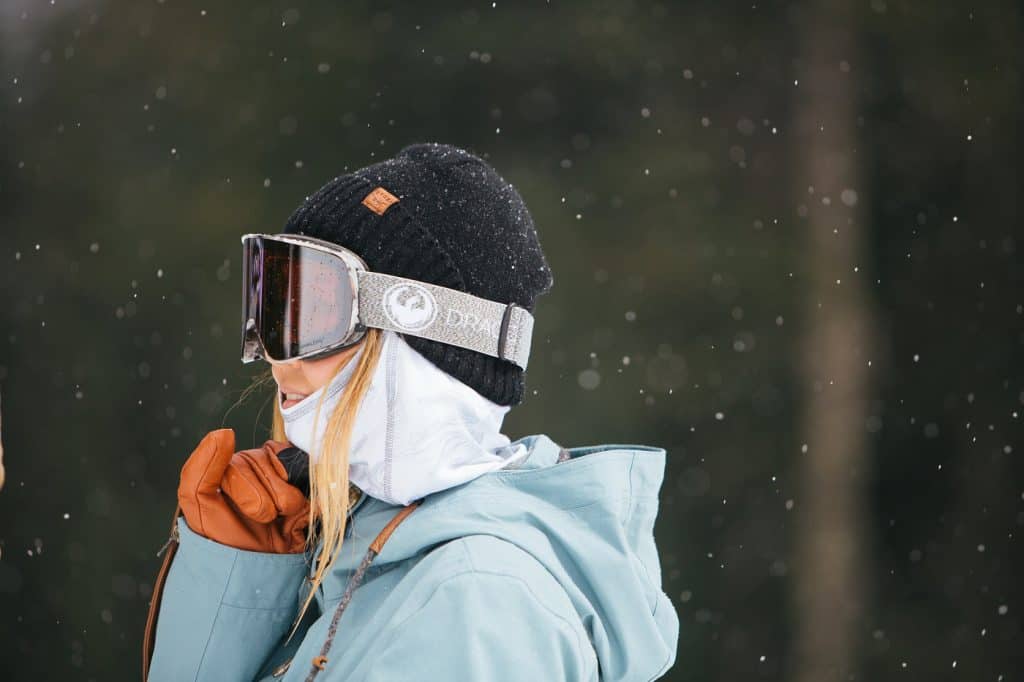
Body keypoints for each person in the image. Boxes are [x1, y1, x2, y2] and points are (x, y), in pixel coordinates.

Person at [144, 142, 679, 681]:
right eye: (275, 308)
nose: (279, 363)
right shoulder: (359, 570)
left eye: (315, 313)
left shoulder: (477, 601)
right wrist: (237, 591)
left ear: (422, 332)